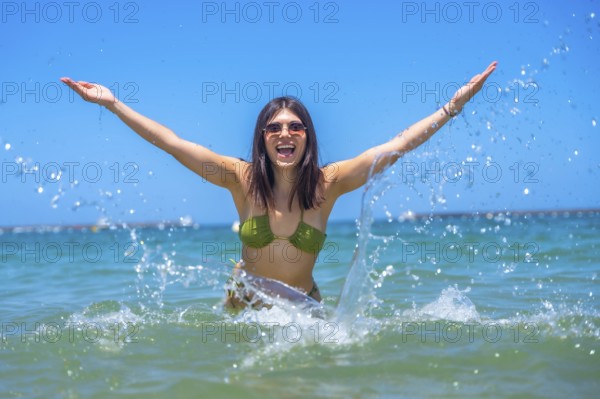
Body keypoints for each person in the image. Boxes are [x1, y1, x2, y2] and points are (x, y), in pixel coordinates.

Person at [60, 61, 497, 309]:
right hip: (243, 304)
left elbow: (396, 146)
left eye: (294, 126)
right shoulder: (240, 178)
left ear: (307, 135)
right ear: (262, 137)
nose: (284, 133)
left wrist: (452, 107)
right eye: (274, 127)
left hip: (303, 306)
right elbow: (172, 143)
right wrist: (113, 104)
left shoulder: (330, 183)